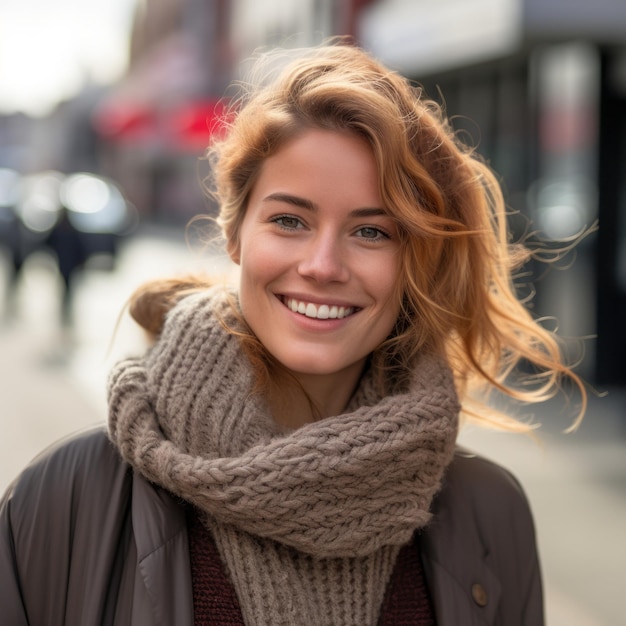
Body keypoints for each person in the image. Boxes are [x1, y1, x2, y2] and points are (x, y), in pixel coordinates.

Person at [0, 40, 587, 625]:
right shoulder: (65, 500)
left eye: (372, 233)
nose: (323, 265)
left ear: (415, 262)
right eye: (289, 221)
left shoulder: (490, 513)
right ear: (235, 233)